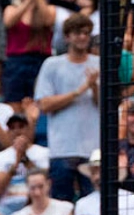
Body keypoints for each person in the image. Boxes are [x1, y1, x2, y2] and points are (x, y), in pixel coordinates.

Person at [35, 14, 99, 201]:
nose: (83, 37)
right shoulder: (52, 65)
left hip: (93, 149)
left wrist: (94, 88)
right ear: (67, 37)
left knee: (94, 202)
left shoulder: (99, 64)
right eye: (78, 33)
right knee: (61, 204)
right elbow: (44, 104)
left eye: (86, 33)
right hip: (62, 149)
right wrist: (79, 91)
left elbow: (107, 106)